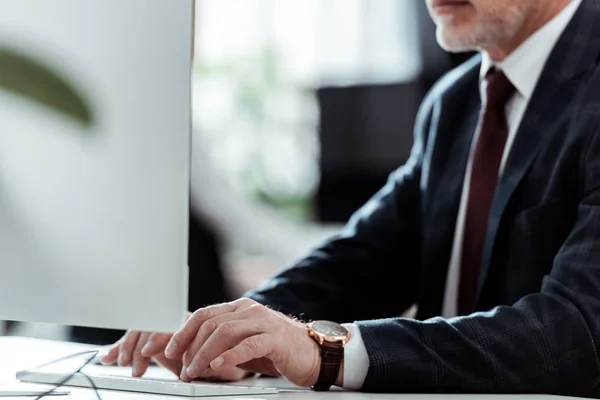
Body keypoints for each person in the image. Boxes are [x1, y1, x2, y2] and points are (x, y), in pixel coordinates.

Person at [101, 0, 600, 395]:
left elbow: (577, 332)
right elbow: (361, 261)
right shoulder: (454, 103)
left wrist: (327, 352)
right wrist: (233, 332)